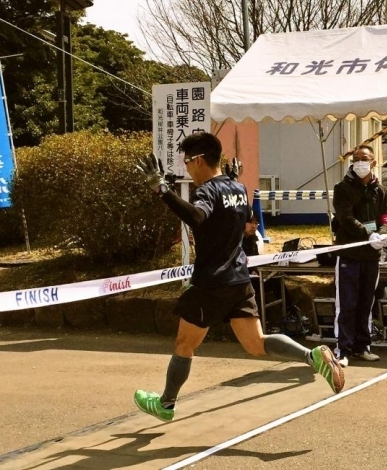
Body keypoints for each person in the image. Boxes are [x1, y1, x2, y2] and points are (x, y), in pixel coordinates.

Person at [133, 132, 344, 422]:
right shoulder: (237, 188)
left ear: (198, 160)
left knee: (185, 344)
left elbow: (197, 217)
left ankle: (166, 404)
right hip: (239, 278)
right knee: (256, 343)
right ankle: (312, 357)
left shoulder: (207, 190)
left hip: (211, 282)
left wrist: (161, 190)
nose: (187, 170)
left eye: (187, 162)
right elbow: (241, 222)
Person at [332, 144, 387, 367]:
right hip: (348, 254)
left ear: (373, 163)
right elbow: (345, 218)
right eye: (355, 159)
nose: (359, 162)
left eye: (364, 158)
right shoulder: (342, 188)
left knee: (366, 303)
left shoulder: (382, 191)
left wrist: (384, 234)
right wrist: (369, 234)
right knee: (346, 304)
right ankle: (343, 349)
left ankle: (362, 346)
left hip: (371, 256)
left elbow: (386, 217)